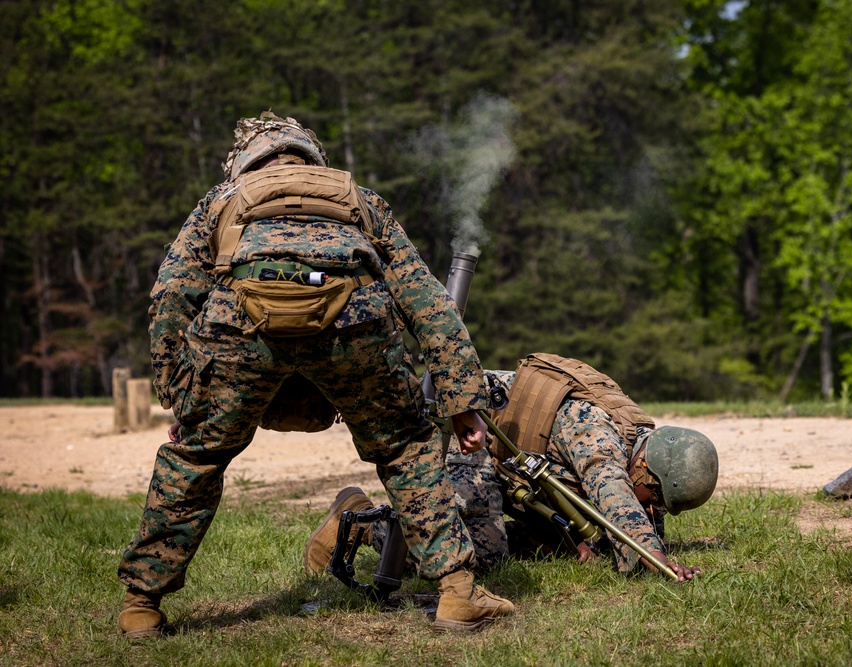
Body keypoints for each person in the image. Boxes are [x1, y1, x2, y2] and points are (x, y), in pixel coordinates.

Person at [117, 111, 513, 638]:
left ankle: (141, 605)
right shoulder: (359, 199)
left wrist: (182, 395)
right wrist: (462, 399)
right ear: (310, 156)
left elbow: (171, 296)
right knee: (406, 446)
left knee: (198, 456)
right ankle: (458, 594)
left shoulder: (220, 201)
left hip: (241, 317)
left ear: (247, 163)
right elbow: (428, 302)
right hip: (355, 317)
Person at [304, 354, 718, 582]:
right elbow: (615, 497)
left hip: (517, 465)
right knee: (478, 556)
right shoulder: (601, 439)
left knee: (564, 543)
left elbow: (626, 508)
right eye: (657, 499)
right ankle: (356, 520)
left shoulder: (643, 437)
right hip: (474, 434)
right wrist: (659, 562)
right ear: (644, 468)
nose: (654, 511)